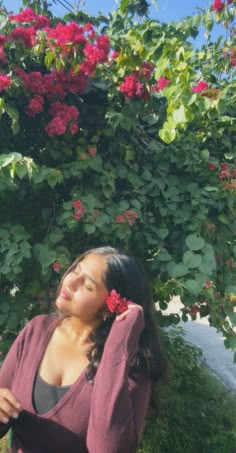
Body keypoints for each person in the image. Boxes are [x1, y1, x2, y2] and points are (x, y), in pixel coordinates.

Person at [0, 246, 168, 452]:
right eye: (75, 270)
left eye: (87, 285)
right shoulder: (37, 330)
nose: (70, 281)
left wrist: (119, 344)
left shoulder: (129, 367)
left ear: (110, 306)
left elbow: (107, 448)